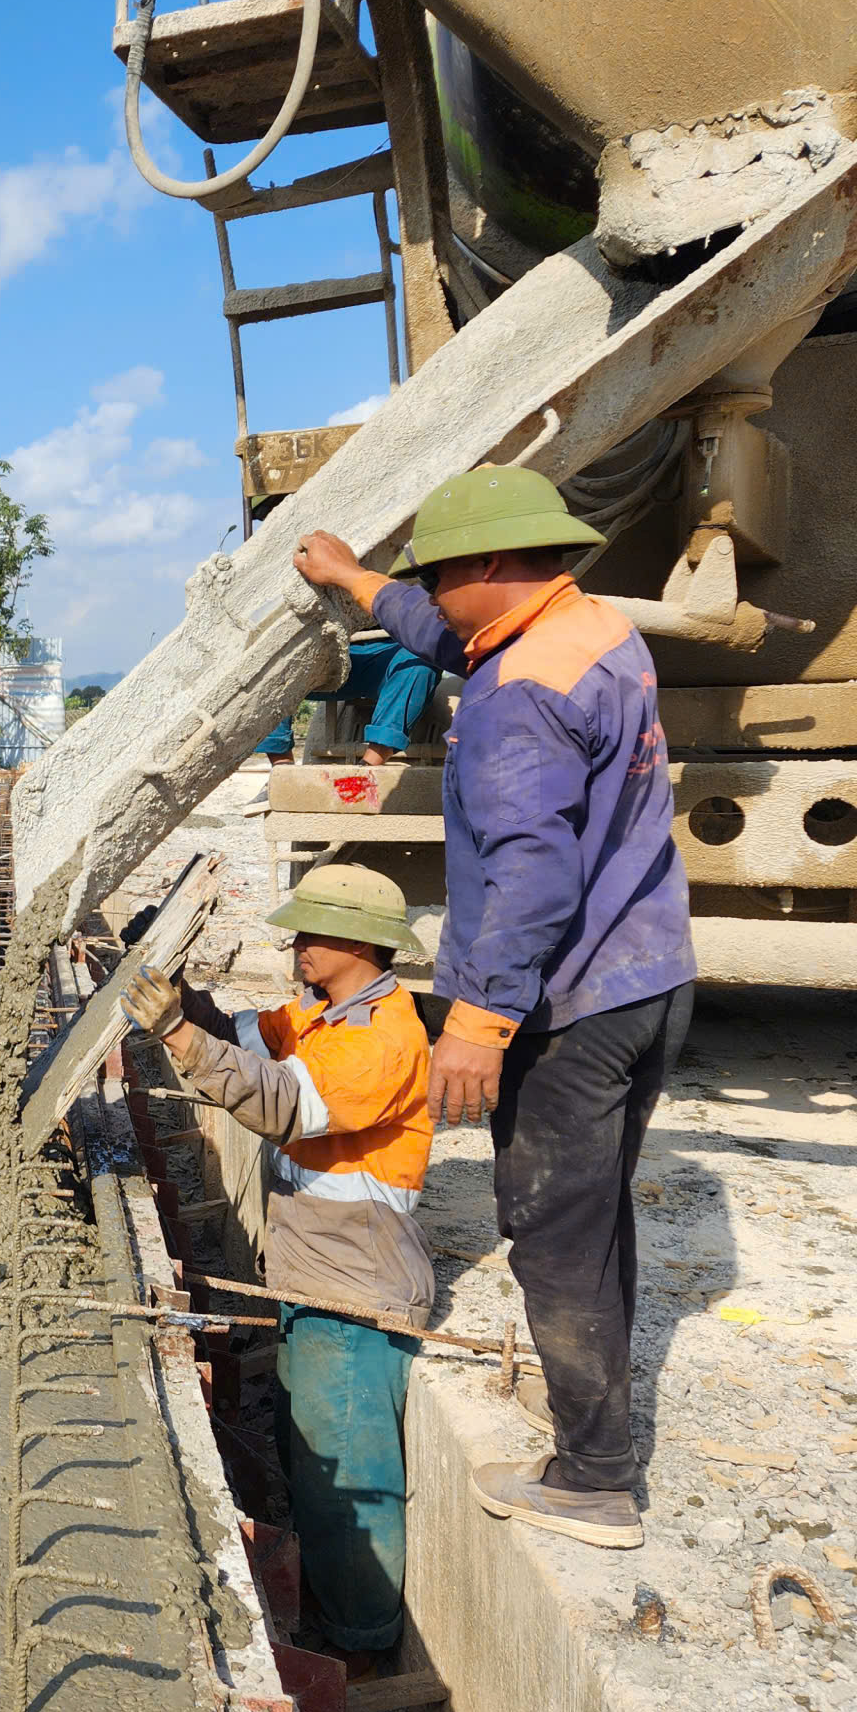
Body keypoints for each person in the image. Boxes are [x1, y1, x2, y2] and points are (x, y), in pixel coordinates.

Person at [293, 465, 696, 1552]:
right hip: (649, 975)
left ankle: (593, 1479)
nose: (431, 593)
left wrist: (475, 1024)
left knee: (554, 1236)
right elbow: (442, 632)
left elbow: (529, 873)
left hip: (570, 1003)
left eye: (437, 573)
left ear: (482, 567)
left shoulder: (520, 696)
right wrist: (351, 579)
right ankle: (593, 1422)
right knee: (597, 1212)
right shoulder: (588, 629)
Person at [126, 863, 433, 1663]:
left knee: (347, 1487)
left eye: (309, 932)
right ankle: (333, 1622)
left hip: (359, 1294)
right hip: (314, 1276)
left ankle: (359, 1646)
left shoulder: (383, 1041)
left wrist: (175, 1035)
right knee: (310, 1452)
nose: (294, 943)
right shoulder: (323, 1015)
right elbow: (239, 1041)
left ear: (360, 944)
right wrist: (178, 990)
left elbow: (281, 1105)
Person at [255, 629, 445, 766]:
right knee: (271, 659)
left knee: (422, 657)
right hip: (324, 649)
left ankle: (371, 764)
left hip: (391, 652)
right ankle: (282, 768)